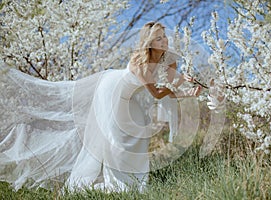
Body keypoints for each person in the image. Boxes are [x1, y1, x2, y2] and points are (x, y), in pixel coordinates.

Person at [0, 22, 202, 192]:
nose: (164, 40)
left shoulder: (168, 62)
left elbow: (165, 89)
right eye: (158, 38)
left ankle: (136, 184)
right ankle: (116, 184)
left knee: (140, 135)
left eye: (164, 36)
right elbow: (157, 93)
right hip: (113, 93)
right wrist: (179, 82)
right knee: (119, 140)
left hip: (132, 99)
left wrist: (187, 92)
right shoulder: (139, 63)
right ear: (149, 42)